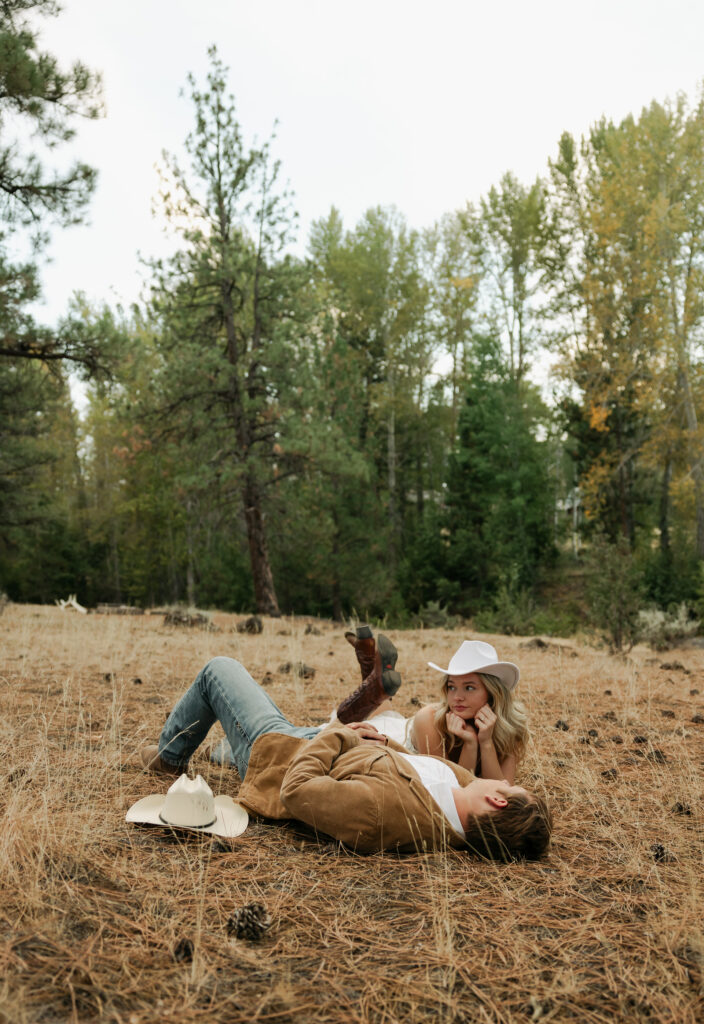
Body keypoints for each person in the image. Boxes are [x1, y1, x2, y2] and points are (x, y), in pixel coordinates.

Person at [138, 648, 552, 860]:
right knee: (232, 734)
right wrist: (381, 742)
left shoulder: (384, 810)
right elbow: (427, 766)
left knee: (219, 669)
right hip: (318, 741)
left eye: (511, 789)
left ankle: (170, 758)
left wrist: (337, 734)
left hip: (279, 754)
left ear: (497, 800)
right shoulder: (456, 796)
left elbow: (295, 791)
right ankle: (220, 750)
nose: (505, 782)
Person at [355, 638, 528, 784]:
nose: (457, 697)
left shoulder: (509, 726)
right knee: (377, 712)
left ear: (492, 692)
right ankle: (372, 670)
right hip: (396, 736)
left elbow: (503, 793)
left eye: (469, 688)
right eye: (451, 687)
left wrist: (486, 742)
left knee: (383, 707)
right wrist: (470, 744)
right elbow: (448, 787)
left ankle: (375, 677)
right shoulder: (429, 719)